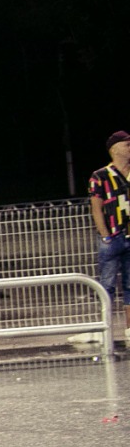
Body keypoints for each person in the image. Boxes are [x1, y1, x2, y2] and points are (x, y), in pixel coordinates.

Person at [89, 130, 130, 338]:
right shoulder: (100, 176)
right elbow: (96, 208)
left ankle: (129, 330)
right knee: (107, 285)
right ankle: (105, 330)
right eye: (127, 145)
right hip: (113, 236)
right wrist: (105, 235)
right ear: (114, 149)